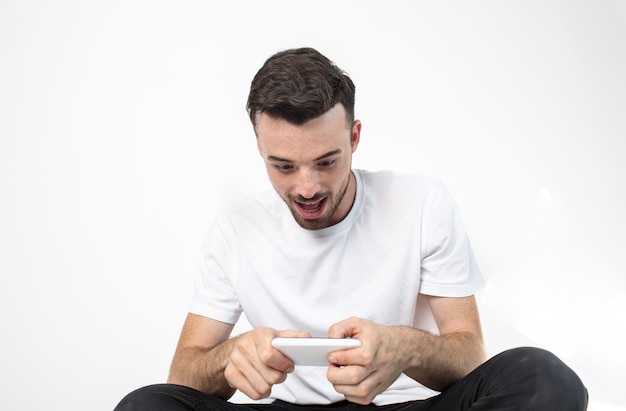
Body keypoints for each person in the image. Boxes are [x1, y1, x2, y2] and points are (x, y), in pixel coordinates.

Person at [115, 47, 588, 410]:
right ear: (259, 147)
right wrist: (230, 355)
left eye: (326, 162)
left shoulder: (421, 202)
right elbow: (183, 373)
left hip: (403, 404)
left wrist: (405, 348)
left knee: (546, 379)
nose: (307, 188)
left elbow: (469, 356)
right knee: (145, 405)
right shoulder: (234, 229)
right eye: (283, 166)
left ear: (354, 137)